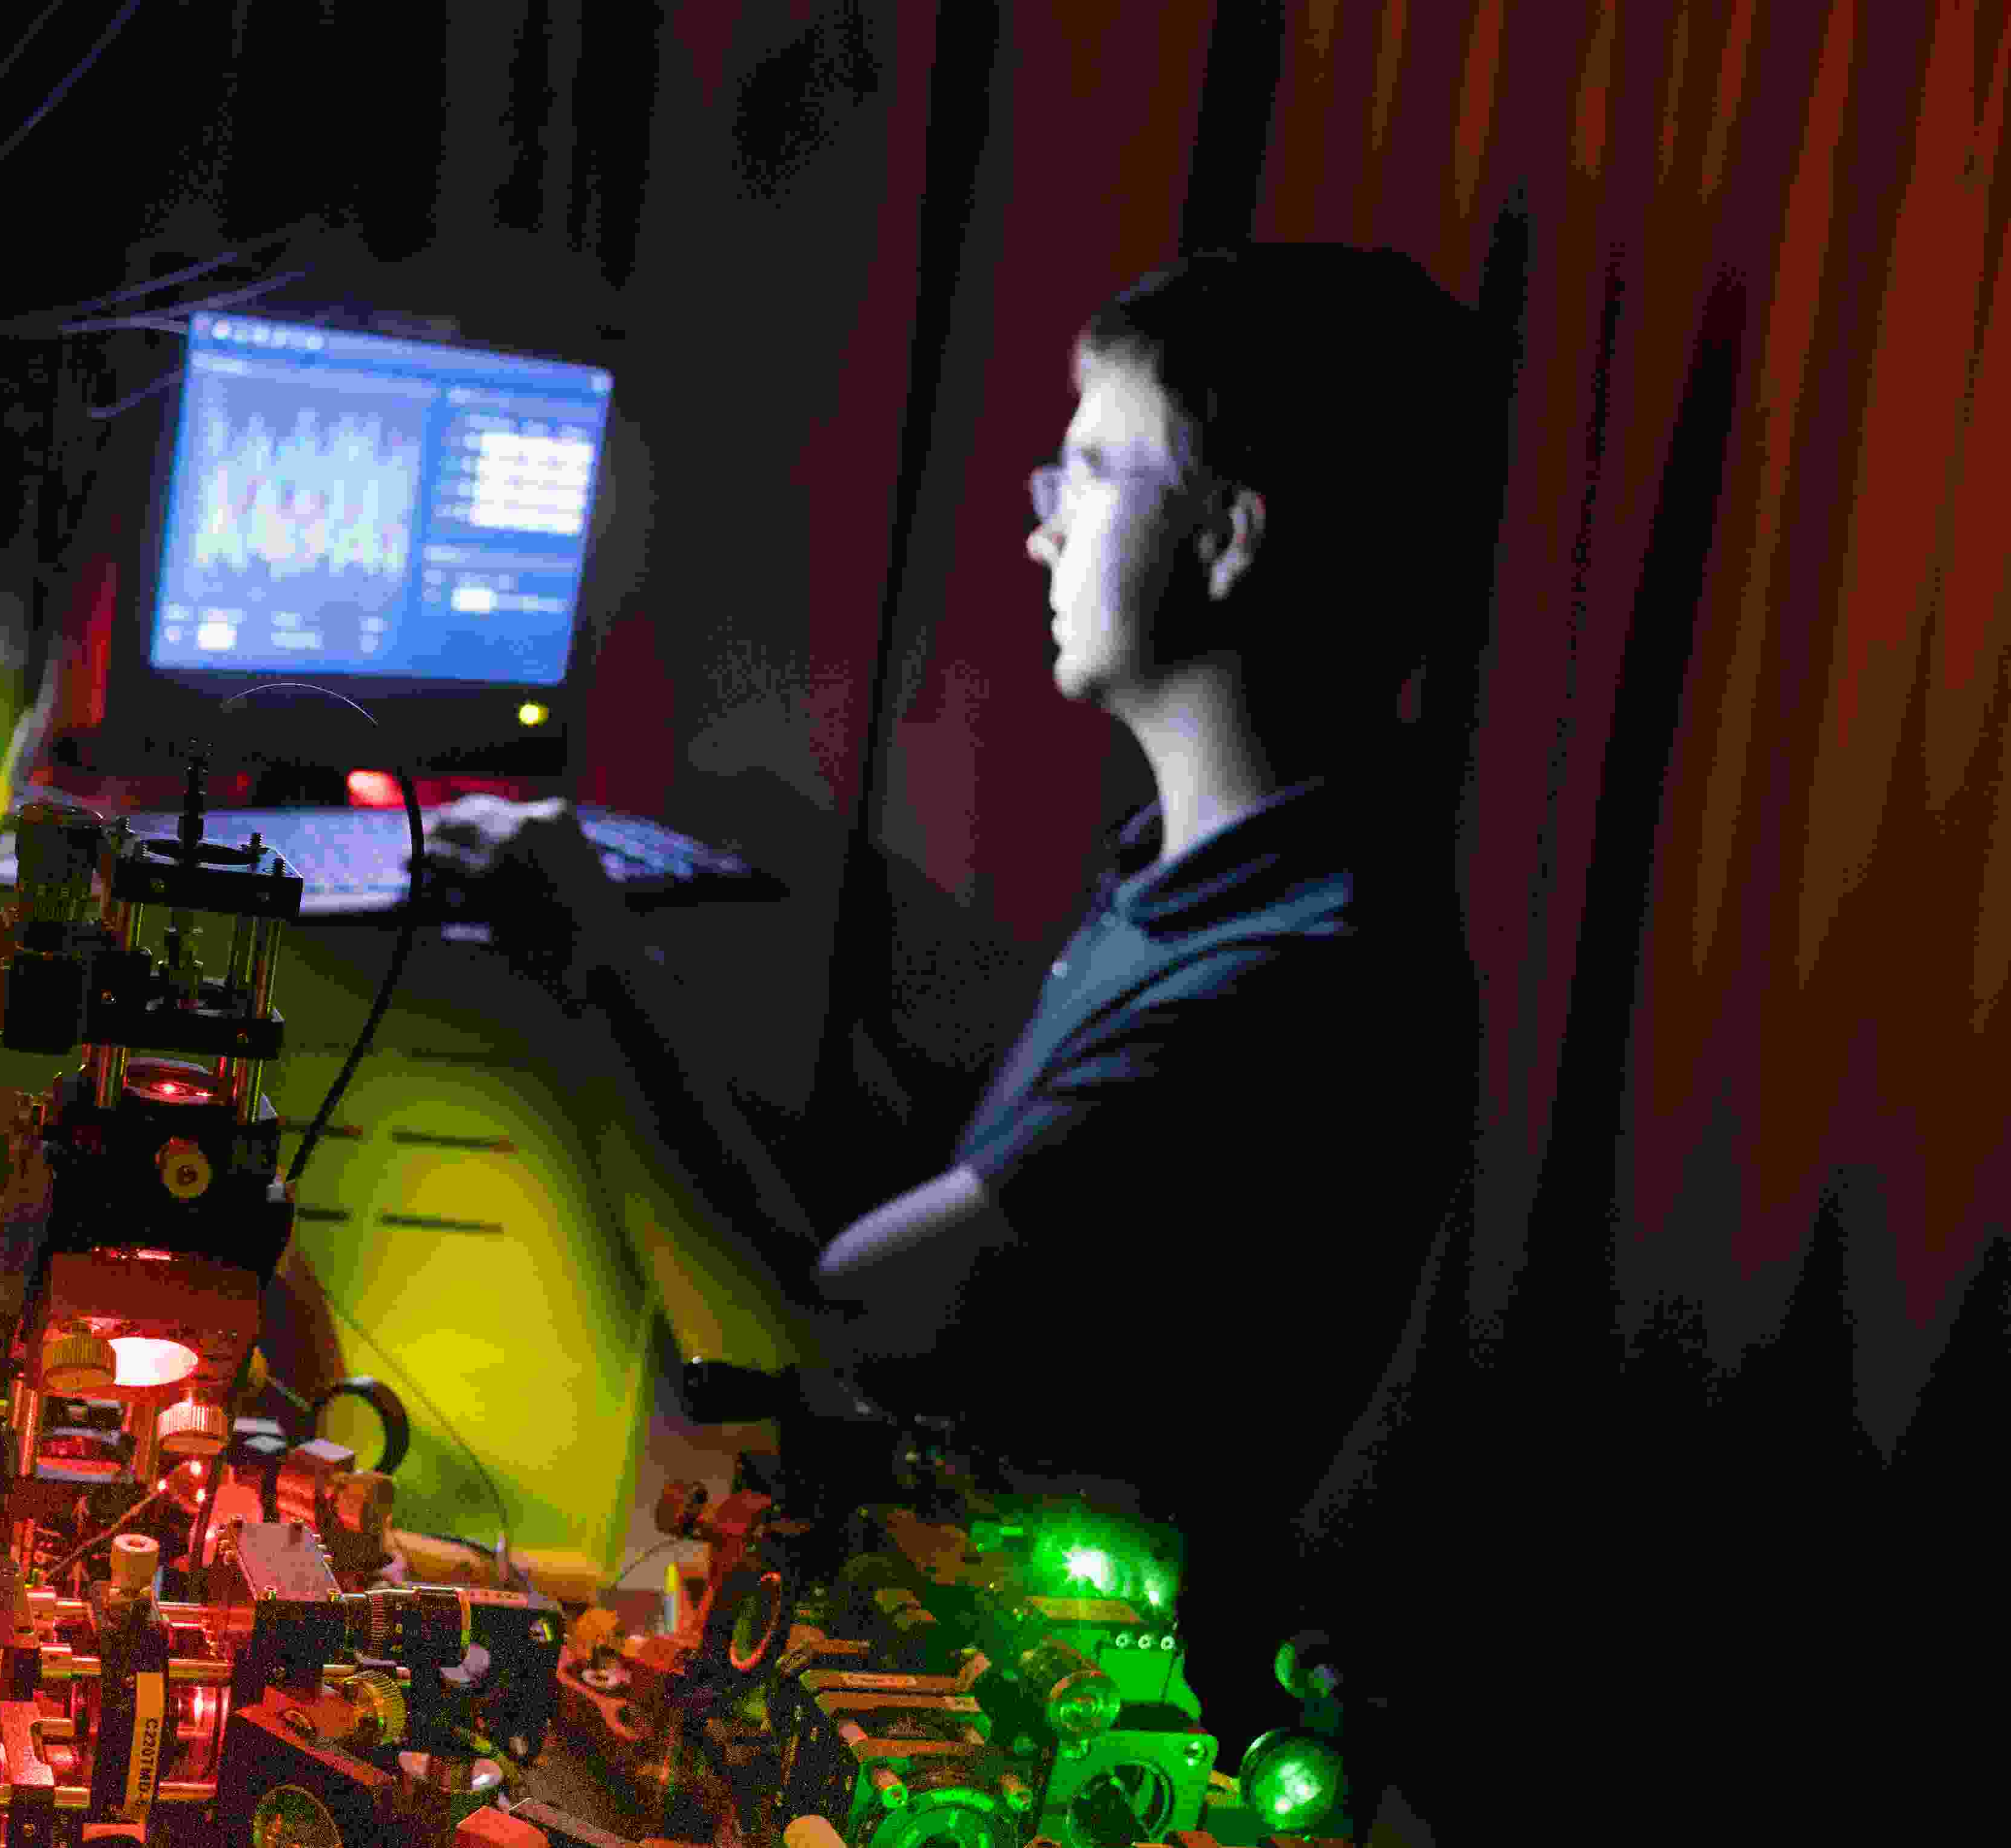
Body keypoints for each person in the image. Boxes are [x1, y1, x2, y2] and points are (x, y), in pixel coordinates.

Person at [429, 246, 1502, 1732]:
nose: (1041, 528)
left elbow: (828, 1334)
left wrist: (596, 955)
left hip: (1023, 1725)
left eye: (1090, 471)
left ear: (1227, 537)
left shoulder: (1286, 985)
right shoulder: (1210, 882)